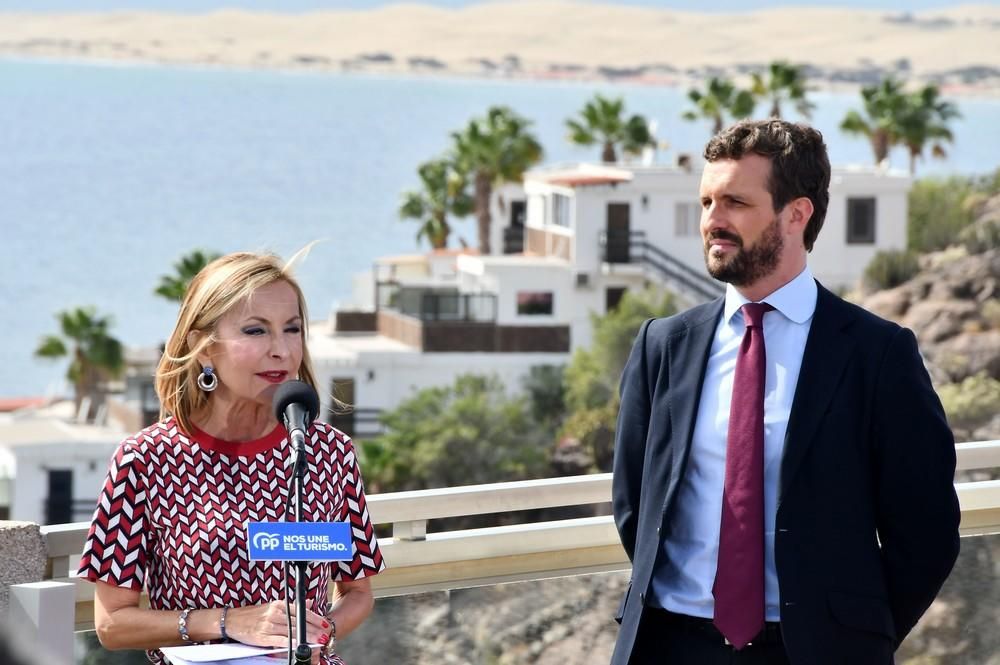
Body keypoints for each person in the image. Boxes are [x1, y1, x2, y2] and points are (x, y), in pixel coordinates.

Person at [610, 120, 960, 665]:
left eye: (735, 203)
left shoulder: (877, 354)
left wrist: (856, 636)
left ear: (797, 214)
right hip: (669, 644)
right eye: (706, 202)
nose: (712, 222)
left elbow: (927, 531)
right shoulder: (664, 346)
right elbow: (635, 504)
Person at [78, 251, 385, 665]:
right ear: (203, 348)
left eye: (291, 329)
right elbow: (112, 624)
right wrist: (226, 622)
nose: (281, 350)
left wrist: (318, 634)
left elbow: (358, 593)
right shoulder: (144, 461)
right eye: (256, 331)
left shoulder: (330, 452)